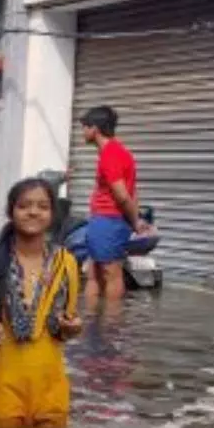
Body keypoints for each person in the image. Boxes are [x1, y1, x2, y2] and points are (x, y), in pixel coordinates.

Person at [0, 178, 83, 428]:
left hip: (51, 387)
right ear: (11, 211)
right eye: (24, 205)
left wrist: (74, 328)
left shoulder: (66, 263)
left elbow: (67, 322)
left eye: (42, 206)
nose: (33, 212)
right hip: (1, 384)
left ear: (52, 214)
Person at [79, 105, 153, 308]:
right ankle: (92, 322)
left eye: (84, 127)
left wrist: (136, 221)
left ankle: (111, 328)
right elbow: (133, 192)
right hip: (106, 220)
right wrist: (134, 220)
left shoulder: (110, 154)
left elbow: (122, 195)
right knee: (95, 272)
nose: (82, 132)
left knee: (111, 273)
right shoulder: (119, 152)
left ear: (95, 129)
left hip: (108, 220)